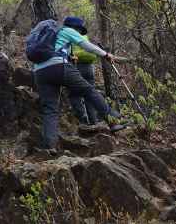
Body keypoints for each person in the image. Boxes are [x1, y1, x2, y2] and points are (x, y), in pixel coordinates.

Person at [31, 16, 125, 150]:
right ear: (76, 28)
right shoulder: (67, 30)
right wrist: (106, 54)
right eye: (79, 31)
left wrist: (69, 57)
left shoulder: (50, 35)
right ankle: (113, 121)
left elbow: (54, 52)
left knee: (50, 109)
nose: (79, 33)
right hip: (59, 67)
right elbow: (87, 46)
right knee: (88, 90)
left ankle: (49, 146)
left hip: (39, 72)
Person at [68, 23, 99, 126]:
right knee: (89, 94)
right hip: (89, 68)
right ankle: (93, 121)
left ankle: (83, 120)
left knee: (74, 94)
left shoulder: (70, 38)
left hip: (77, 67)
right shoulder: (84, 37)